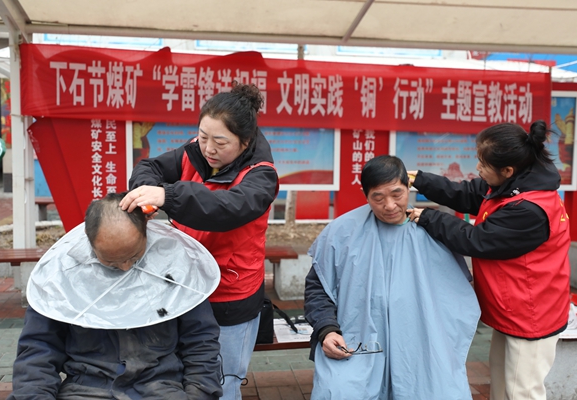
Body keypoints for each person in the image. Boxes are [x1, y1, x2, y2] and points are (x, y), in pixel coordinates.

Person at [120, 82, 279, 400]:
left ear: (245, 141)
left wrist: (167, 195)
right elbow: (150, 166)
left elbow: (225, 208)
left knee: (221, 382)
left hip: (229, 296)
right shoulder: (195, 150)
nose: (208, 148)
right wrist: (146, 191)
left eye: (220, 142)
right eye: (203, 136)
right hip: (183, 286)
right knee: (180, 376)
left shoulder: (262, 176)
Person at [407, 120, 571, 400]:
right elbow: (467, 194)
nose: (478, 168)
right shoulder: (514, 183)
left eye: (483, 164)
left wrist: (429, 217)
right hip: (514, 307)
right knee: (502, 386)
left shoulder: (529, 209)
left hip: (531, 314)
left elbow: (477, 240)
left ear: (507, 170)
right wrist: (419, 179)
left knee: (522, 392)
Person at [9, 193, 223, 399]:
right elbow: (38, 349)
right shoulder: (60, 277)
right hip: (86, 389)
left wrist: (199, 393)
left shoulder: (174, 267)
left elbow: (200, 340)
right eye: (111, 262)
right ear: (89, 241)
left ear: (146, 231)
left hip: (159, 388)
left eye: (134, 256)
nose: (125, 267)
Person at [304, 155, 480, 399]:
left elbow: (459, 292)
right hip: (358, 343)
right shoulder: (342, 232)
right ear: (365, 195)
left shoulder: (435, 229)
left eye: (397, 194)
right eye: (378, 198)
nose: (389, 205)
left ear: (408, 187)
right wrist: (327, 330)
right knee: (339, 390)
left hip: (420, 345)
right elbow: (318, 287)